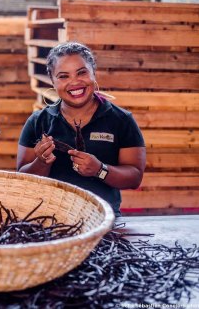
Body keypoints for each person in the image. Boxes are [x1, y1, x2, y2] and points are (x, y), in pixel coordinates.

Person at [17, 42, 145, 215]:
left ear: (93, 72)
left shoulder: (121, 120)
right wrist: (41, 162)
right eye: (63, 76)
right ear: (52, 81)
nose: (74, 82)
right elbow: (23, 179)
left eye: (82, 72)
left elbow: (134, 178)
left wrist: (100, 170)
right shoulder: (37, 122)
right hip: (49, 221)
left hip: (102, 220)